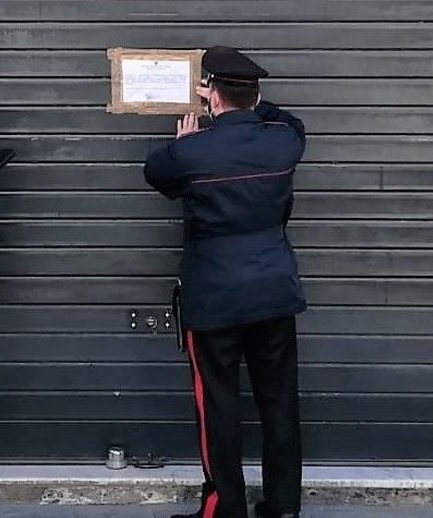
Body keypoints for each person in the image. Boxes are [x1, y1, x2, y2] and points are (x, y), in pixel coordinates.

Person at [144, 46, 307, 518]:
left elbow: (156, 172)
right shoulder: (283, 141)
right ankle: (283, 507)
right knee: (278, 401)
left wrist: (185, 139)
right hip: (274, 293)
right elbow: (290, 121)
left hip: (213, 299)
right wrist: (255, 103)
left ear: (210, 95)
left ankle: (225, 508)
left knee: (218, 404)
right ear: (255, 94)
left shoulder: (191, 152)